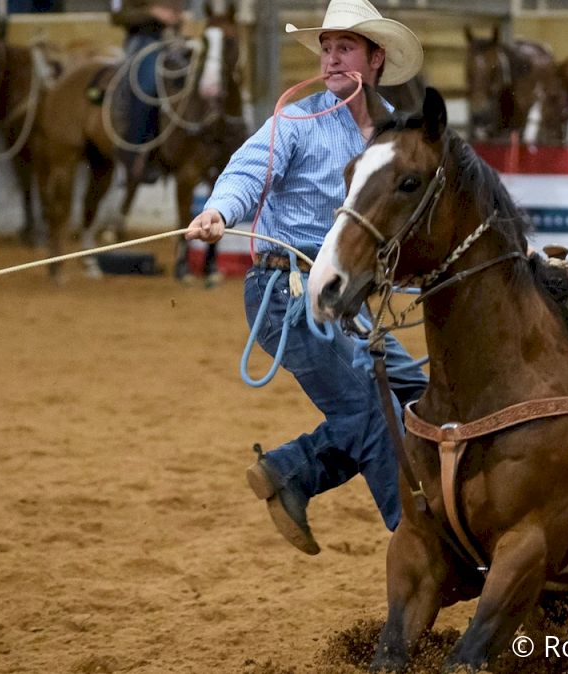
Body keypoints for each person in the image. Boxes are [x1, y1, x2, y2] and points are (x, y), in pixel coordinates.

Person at [184, 0, 427, 555]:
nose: (332, 58)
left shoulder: (395, 137)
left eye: (345, 48)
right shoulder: (296, 120)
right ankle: (417, 544)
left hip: (349, 301)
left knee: (420, 397)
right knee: (370, 413)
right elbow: (249, 171)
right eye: (326, 48)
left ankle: (292, 470)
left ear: (375, 59)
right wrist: (221, 210)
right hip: (286, 292)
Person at [110, 0, 184, 184]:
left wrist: (175, 17)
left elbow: (176, 14)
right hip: (142, 40)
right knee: (147, 85)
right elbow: (117, 15)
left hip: (168, 40)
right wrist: (151, 13)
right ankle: (134, 154)